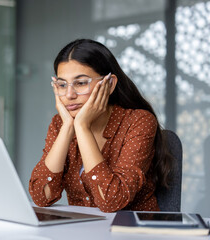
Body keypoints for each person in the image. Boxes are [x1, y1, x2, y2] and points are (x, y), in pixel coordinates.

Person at [29, 39, 174, 213]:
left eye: (81, 83)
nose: (69, 94)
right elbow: (41, 197)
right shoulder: (60, 123)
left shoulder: (139, 121)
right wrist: (68, 127)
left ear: (109, 84)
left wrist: (82, 127)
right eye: (62, 85)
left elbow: (111, 201)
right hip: (82, 231)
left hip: (131, 232)